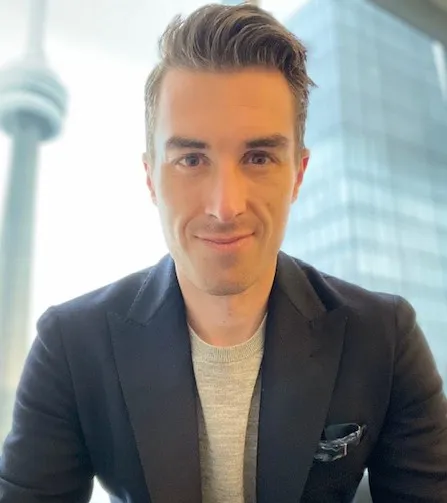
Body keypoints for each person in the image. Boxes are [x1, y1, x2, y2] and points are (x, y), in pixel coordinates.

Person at [1, 3, 447, 503]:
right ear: (151, 178)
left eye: (258, 157)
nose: (225, 206)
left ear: (297, 175)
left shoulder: (384, 339)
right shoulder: (70, 346)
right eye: (191, 159)